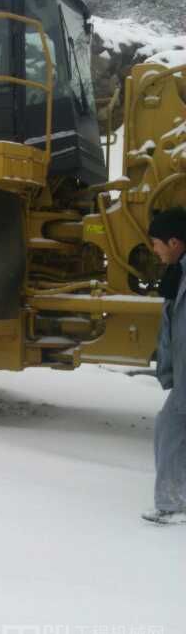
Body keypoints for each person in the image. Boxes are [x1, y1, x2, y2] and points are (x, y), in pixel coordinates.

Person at [142, 207, 186, 525]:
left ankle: (173, 505)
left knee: (170, 427)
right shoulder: (177, 274)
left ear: (174, 242)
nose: (154, 250)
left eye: (156, 243)